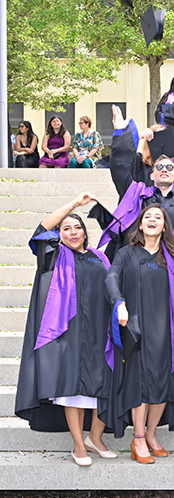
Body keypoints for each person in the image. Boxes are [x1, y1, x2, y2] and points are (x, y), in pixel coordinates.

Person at [15, 193, 116, 467]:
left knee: (104, 384)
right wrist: (73, 206)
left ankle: (96, 437)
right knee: (72, 388)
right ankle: (78, 444)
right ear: (60, 235)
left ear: (85, 232)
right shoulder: (54, 254)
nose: (73, 232)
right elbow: (41, 231)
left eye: (77, 227)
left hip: (100, 329)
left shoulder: (99, 257)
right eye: (66, 228)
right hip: (70, 331)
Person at [102, 205, 174, 463]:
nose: (152, 220)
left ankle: (152, 434)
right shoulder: (127, 253)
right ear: (140, 225)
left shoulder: (172, 257)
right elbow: (111, 278)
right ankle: (138, 438)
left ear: (165, 226)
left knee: (163, 382)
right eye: (148, 217)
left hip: (166, 330)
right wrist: (119, 302)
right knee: (140, 385)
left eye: (158, 217)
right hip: (136, 328)